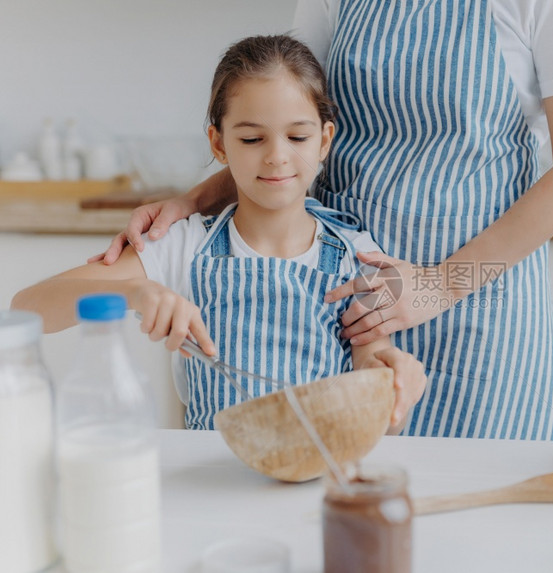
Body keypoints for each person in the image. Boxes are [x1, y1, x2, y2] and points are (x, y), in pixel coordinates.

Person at [94, 0, 553, 440]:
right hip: (344, 313)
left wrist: (438, 286)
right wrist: (196, 200)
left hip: (479, 312)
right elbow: (290, 121)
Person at [13, 34, 426, 432]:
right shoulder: (182, 245)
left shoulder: (360, 258)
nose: (277, 156)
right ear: (219, 144)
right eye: (251, 138)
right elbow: (27, 308)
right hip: (209, 485)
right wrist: (134, 293)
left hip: (317, 487)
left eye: (297, 136)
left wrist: (393, 388)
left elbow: (385, 419)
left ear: (324, 140)